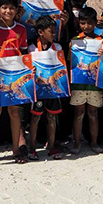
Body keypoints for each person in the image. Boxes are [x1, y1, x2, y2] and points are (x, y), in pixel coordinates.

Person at [0, 0, 31, 163]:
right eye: (4, 8)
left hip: (15, 76)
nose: (8, 11)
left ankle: (15, 149)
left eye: (11, 8)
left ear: (16, 10)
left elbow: (24, 54)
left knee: (14, 112)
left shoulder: (21, 29)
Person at [28, 15, 66, 159]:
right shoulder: (32, 49)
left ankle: (51, 146)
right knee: (35, 119)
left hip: (53, 90)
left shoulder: (58, 48)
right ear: (40, 32)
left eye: (54, 31)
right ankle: (32, 148)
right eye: (51, 31)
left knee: (52, 118)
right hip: (38, 90)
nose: (54, 34)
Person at [69, 7, 103, 154]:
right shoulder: (75, 41)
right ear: (79, 23)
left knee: (93, 114)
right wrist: (70, 49)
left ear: (95, 23)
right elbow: (71, 63)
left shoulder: (101, 41)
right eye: (83, 23)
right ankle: (76, 144)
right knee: (78, 114)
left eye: (89, 23)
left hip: (95, 85)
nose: (86, 26)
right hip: (78, 84)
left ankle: (94, 143)